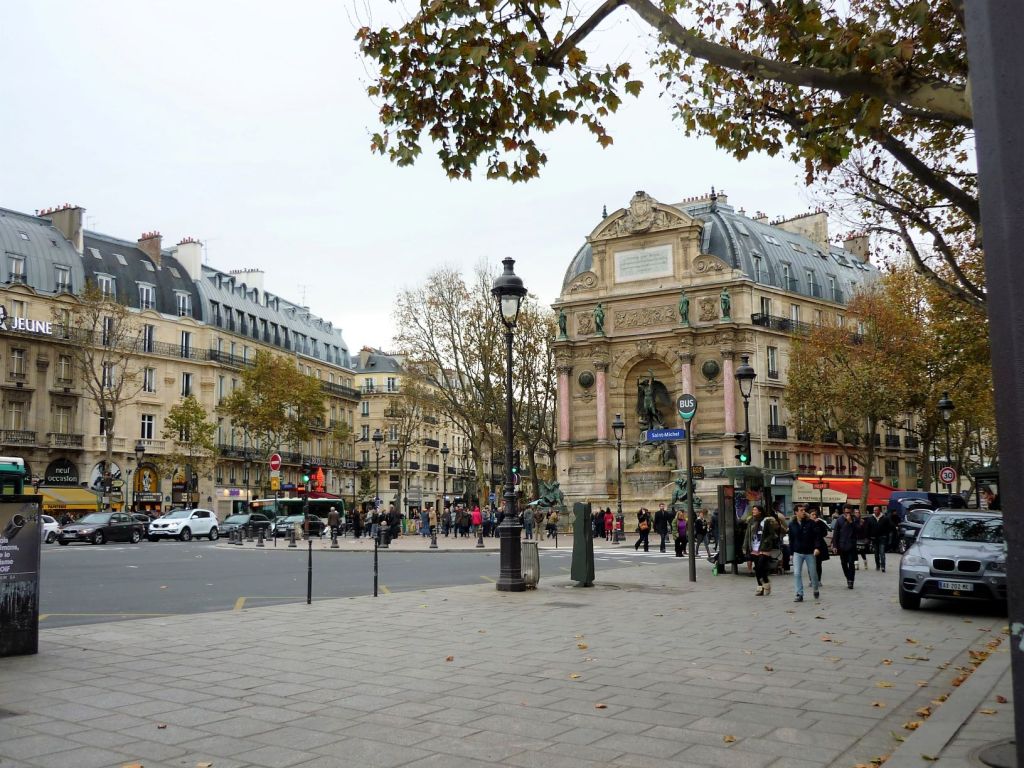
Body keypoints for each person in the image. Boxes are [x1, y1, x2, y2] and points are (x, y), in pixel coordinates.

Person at [743, 505, 780, 595]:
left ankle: (766, 583)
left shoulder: (766, 521)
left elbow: (773, 534)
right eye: (753, 510)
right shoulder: (751, 521)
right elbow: (747, 535)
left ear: (760, 511)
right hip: (754, 547)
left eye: (755, 510)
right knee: (758, 569)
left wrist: (767, 540)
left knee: (760, 567)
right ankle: (760, 587)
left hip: (764, 547)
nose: (753, 511)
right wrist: (745, 546)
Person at [788, 505, 821, 602]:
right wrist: (791, 553)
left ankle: (815, 588)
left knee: (813, 573)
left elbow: (817, 537)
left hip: (809, 552)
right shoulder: (792, 524)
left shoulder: (810, 523)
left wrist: (817, 548)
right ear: (796, 512)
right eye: (801, 510)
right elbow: (791, 539)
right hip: (797, 552)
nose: (803, 512)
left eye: (804, 510)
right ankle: (799, 594)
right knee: (797, 573)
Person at [833, 505, 859, 589]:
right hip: (842, 545)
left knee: (851, 563)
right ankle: (848, 578)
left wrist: (851, 522)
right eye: (846, 512)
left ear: (851, 511)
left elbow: (858, 530)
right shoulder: (839, 520)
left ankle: (851, 581)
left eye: (849, 512)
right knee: (844, 563)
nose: (847, 513)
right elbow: (836, 534)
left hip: (851, 545)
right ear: (843, 511)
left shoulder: (854, 519)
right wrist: (835, 545)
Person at [809, 508, 830, 583]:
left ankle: (818, 580)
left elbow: (825, 533)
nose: (814, 516)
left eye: (815, 514)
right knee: (810, 563)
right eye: (812, 515)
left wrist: (818, 526)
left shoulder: (820, 523)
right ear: (809, 516)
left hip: (819, 545)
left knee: (818, 563)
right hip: (810, 545)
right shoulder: (807, 523)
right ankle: (811, 580)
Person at [870, 505, 891, 572]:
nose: (875, 511)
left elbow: (889, 527)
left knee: (882, 553)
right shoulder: (871, 518)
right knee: (876, 554)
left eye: (876, 510)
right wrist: (869, 537)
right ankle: (877, 565)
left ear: (879, 510)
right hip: (874, 538)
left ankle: (883, 566)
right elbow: (868, 528)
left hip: (882, 538)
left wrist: (886, 535)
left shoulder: (885, 518)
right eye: (874, 510)